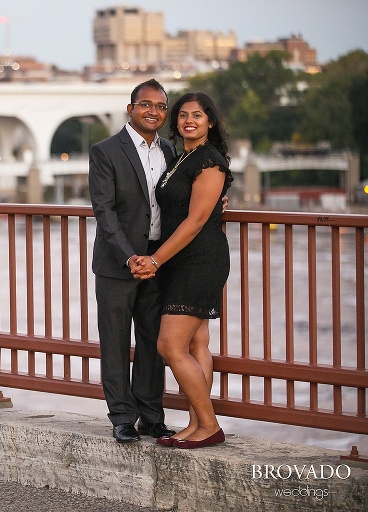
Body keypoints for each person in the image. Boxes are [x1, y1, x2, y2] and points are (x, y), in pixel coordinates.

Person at [132, 92, 233, 449]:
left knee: (169, 345)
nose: (189, 120)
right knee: (197, 342)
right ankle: (196, 424)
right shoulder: (182, 158)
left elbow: (195, 221)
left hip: (199, 260)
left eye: (198, 115)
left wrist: (156, 259)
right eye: (183, 115)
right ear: (176, 123)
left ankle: (209, 425)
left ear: (210, 122)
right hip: (181, 261)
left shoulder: (209, 161)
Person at [88, 78, 177, 443]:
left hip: (159, 260)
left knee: (153, 341)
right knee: (114, 340)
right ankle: (122, 417)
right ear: (131, 109)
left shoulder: (171, 151)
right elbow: (104, 210)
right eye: (145, 105)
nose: (152, 111)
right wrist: (130, 258)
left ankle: (151, 417)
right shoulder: (106, 151)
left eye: (159, 106)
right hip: (117, 262)